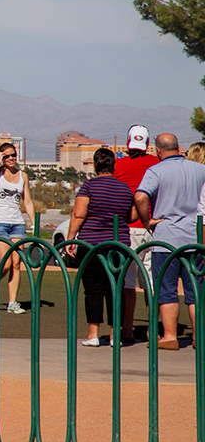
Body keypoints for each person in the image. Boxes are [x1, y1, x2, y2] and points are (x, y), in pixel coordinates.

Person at [136, 132, 205, 349]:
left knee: (167, 288)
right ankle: (198, 336)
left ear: (157, 150)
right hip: (195, 236)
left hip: (166, 238)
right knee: (196, 290)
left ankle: (169, 336)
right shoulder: (200, 169)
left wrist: (148, 220)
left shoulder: (156, 171)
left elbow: (140, 196)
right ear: (178, 147)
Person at [65, 147, 138, 346]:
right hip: (119, 244)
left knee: (93, 289)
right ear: (113, 166)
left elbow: (79, 214)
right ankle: (116, 335)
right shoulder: (125, 189)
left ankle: (93, 334)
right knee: (116, 289)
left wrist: (71, 239)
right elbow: (131, 216)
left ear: (96, 166)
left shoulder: (89, 187)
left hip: (92, 244)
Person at [114, 124, 160, 341]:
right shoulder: (157, 164)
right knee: (151, 282)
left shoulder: (118, 165)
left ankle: (127, 329)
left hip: (128, 228)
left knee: (127, 283)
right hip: (153, 227)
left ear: (128, 143)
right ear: (148, 144)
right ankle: (152, 328)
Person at [0, 142, 33, 314]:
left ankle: (13, 302)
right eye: (6, 156)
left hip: (16, 223)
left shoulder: (22, 175)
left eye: (13, 155)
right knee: (6, 262)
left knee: (16, 263)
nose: (10, 158)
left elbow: (27, 201)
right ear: (1, 157)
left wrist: (33, 223)